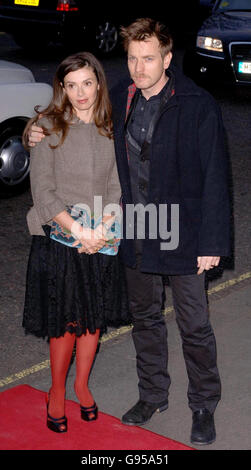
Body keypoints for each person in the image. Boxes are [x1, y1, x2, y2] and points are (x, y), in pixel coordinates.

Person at [27, 19, 230, 445]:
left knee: (194, 325)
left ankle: (202, 404)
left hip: (182, 231)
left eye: (149, 58)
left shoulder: (196, 103)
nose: (139, 67)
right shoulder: (119, 96)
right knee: (145, 319)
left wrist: (212, 242)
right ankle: (153, 394)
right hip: (134, 228)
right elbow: (74, 111)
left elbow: (216, 175)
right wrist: (36, 128)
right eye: (133, 59)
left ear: (168, 59)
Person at [22, 51, 130, 433]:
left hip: (101, 235)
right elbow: (44, 193)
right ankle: (56, 391)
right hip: (60, 239)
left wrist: (103, 227)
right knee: (65, 322)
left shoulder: (113, 126)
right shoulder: (49, 126)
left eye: (87, 83)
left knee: (92, 322)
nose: (80, 92)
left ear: (99, 83)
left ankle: (81, 385)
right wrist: (80, 232)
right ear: (62, 89)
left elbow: (119, 184)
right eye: (71, 85)